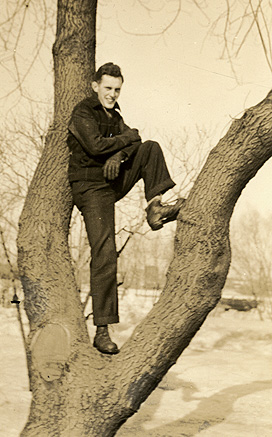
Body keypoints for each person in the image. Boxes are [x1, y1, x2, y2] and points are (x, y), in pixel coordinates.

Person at [67, 62, 184, 355]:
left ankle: (155, 208)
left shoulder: (114, 115)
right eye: (107, 88)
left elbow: (137, 141)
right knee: (105, 252)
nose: (112, 94)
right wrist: (126, 140)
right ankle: (102, 331)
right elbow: (94, 146)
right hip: (91, 189)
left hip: (111, 180)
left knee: (151, 148)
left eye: (117, 90)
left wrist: (120, 154)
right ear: (95, 86)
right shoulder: (84, 112)